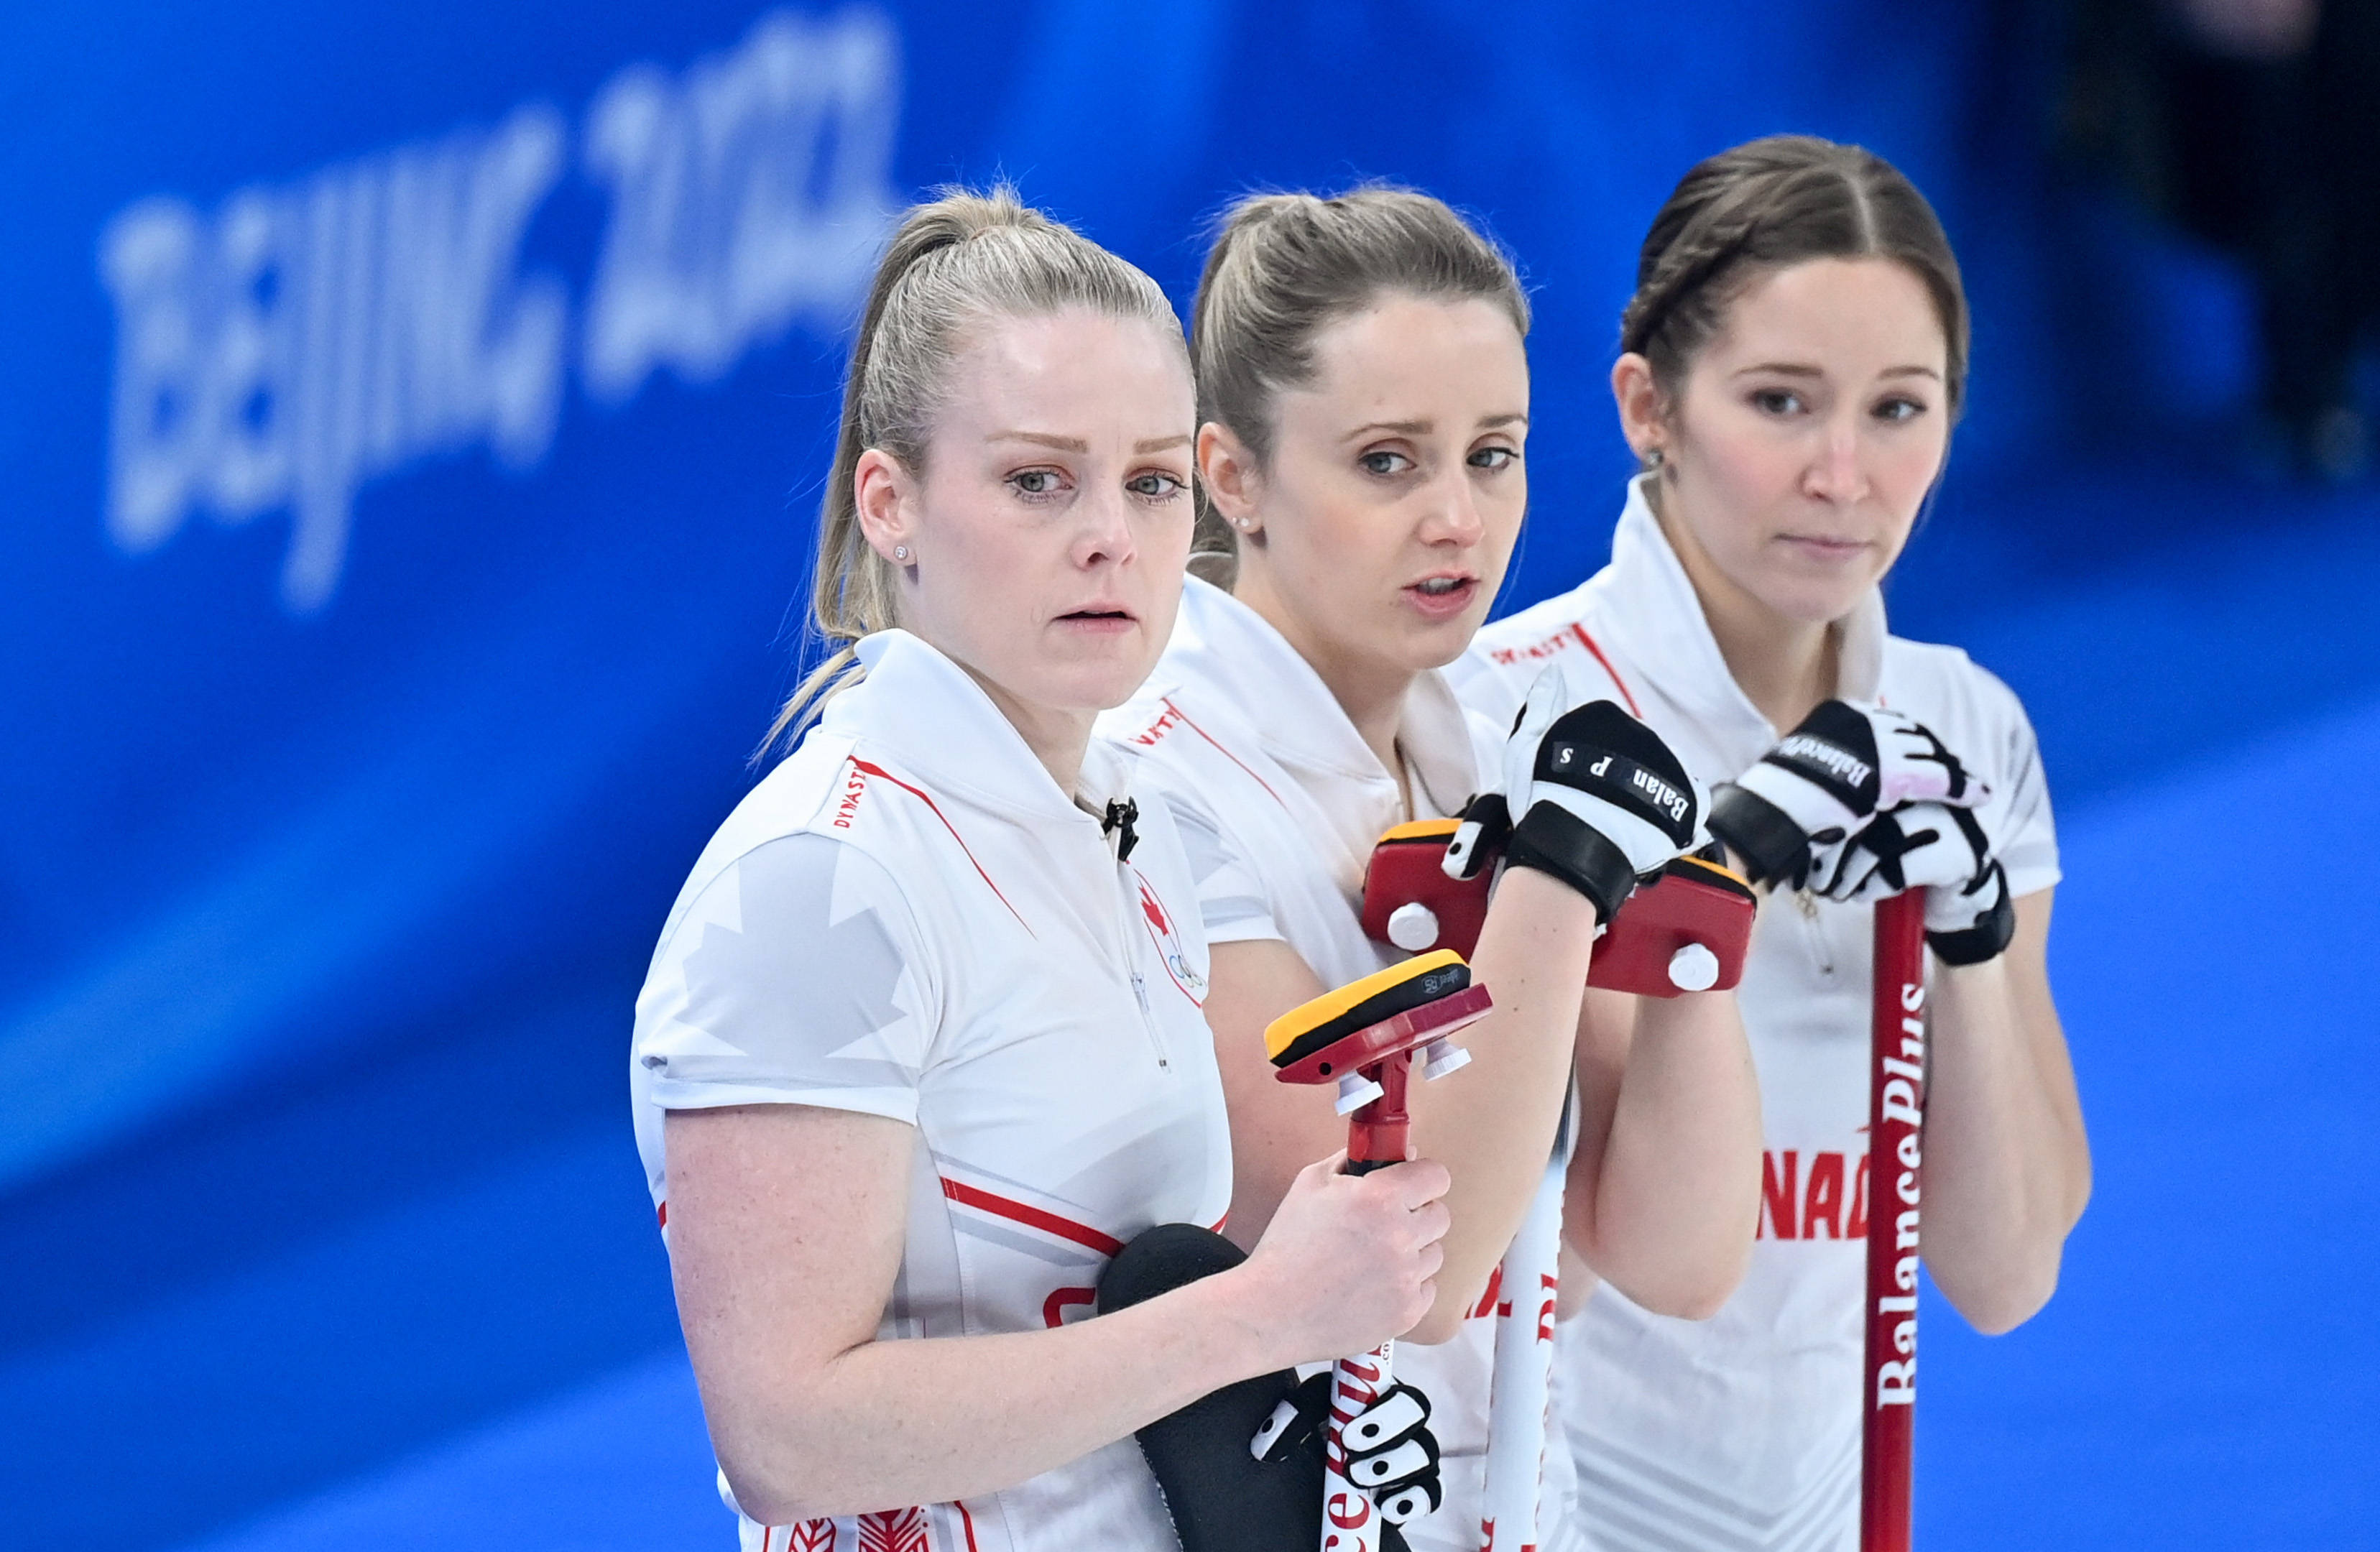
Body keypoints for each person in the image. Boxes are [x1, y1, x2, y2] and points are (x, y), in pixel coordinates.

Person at [629, 188, 1456, 1552]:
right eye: (1037, 481)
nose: (1110, 536)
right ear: (890, 503)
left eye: (1151, 482)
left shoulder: (1144, 820)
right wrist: (1256, 1320)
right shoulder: (816, 885)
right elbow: (787, 1440)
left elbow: (1174, 1289)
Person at [1453, 136, 2093, 1550]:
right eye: (1781, 402)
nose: (1844, 474)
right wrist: (1720, 871)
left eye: (1899, 408)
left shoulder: (1967, 725)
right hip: (1548, 1514)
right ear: (1649, 407)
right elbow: (1575, 1248)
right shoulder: (1504, 712)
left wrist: (1970, 940)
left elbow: (2003, 1277)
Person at [1102, 188, 1764, 1552]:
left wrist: (1691, 934)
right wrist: (1565, 877)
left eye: (1494, 455)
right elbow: (1418, 1277)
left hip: (1519, 1506)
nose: (1460, 517)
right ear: (1232, 476)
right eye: (1389, 462)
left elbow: (1681, 1259)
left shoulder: (1508, 739)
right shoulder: (1151, 782)